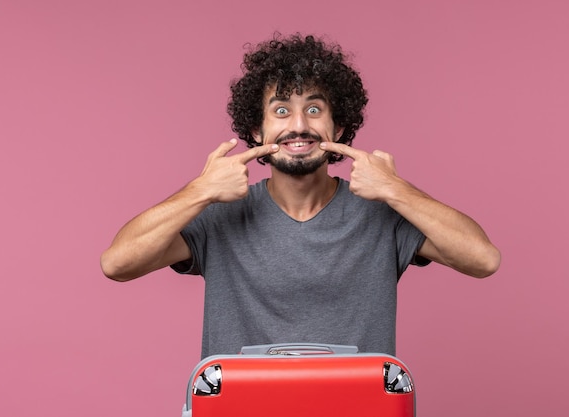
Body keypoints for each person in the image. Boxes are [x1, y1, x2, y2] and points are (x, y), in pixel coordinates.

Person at [101, 33, 500, 358]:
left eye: (313, 110)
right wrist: (199, 191)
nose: (298, 125)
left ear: (338, 126)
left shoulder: (382, 213)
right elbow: (117, 263)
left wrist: (396, 189)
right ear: (256, 131)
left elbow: (483, 259)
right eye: (280, 111)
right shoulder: (221, 214)